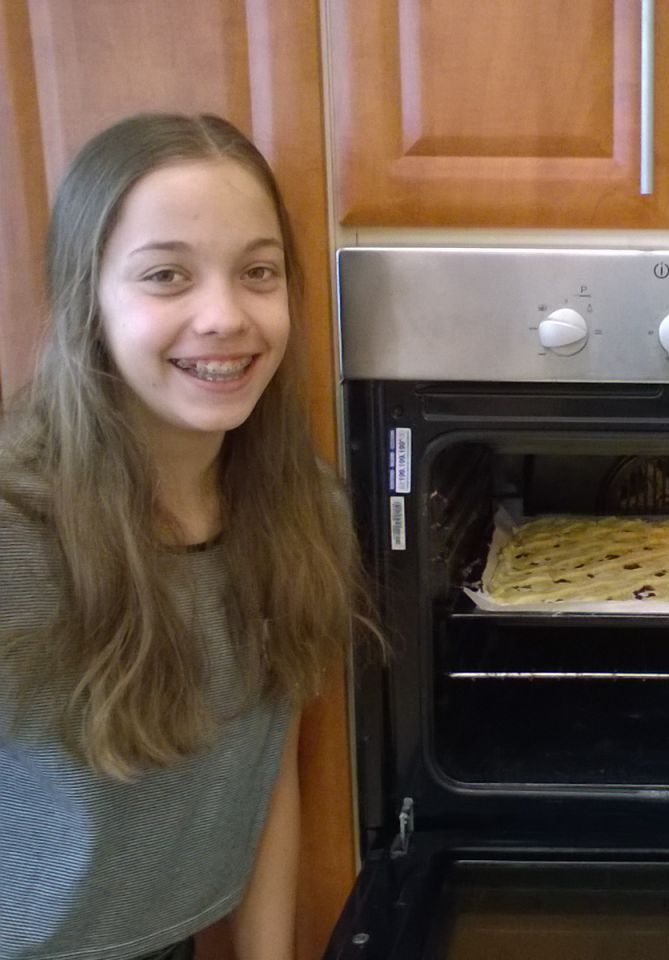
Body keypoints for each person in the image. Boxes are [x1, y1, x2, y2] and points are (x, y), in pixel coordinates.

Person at [0, 113, 371, 959]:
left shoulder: (303, 508)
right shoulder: (14, 536)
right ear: (86, 301)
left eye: (258, 272)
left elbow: (268, 764)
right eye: (166, 275)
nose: (224, 316)